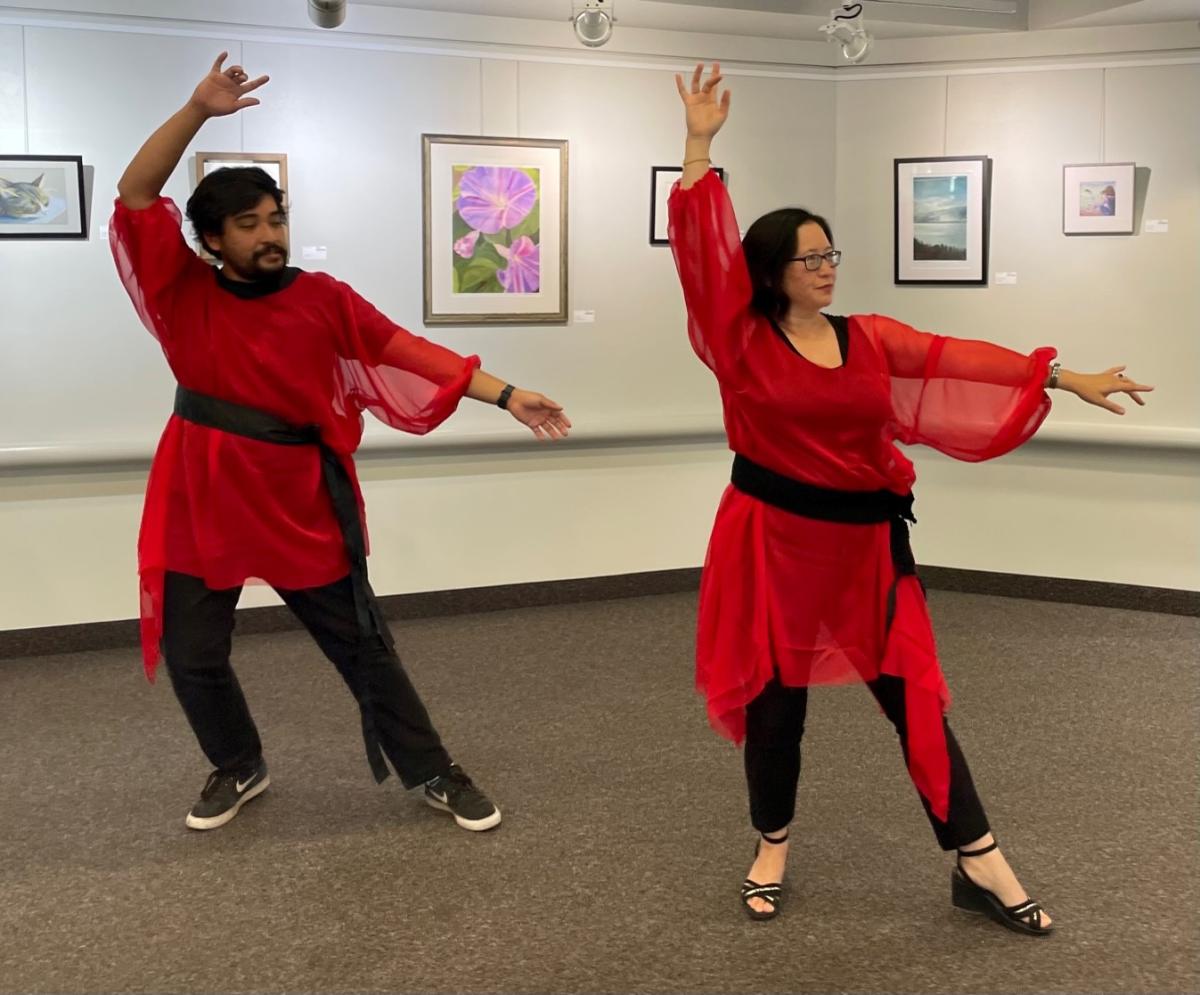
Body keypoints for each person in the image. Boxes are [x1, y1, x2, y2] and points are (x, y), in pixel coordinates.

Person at [669, 63, 1153, 934]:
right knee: (778, 705)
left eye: (831, 254)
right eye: (809, 258)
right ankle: (771, 842)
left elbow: (952, 355)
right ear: (773, 272)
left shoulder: (870, 338)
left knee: (915, 699)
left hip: (868, 550)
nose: (825, 268)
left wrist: (1060, 373)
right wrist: (700, 146)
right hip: (774, 544)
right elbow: (703, 263)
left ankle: (980, 858)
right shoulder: (737, 344)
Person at [110, 53, 571, 833]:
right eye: (249, 224)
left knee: (361, 646)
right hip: (202, 489)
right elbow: (135, 192)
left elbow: (403, 348)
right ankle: (238, 762)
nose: (269, 236)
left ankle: (432, 768)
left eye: (276, 219)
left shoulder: (321, 298)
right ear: (212, 237)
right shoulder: (178, 288)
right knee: (194, 651)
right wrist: (196, 110)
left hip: (297, 495)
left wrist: (506, 392)